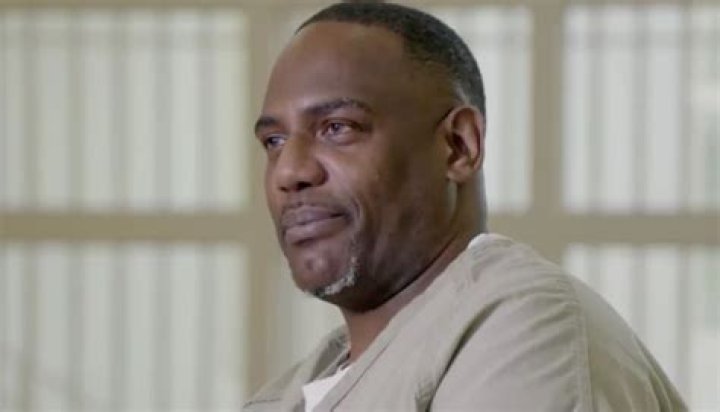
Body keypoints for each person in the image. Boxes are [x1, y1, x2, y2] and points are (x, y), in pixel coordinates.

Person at [245, 2, 686, 411]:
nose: (289, 171)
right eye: (274, 141)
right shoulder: (295, 390)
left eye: (338, 128)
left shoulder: (529, 329)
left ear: (458, 146)